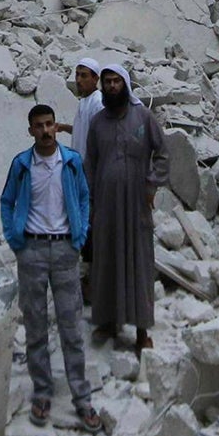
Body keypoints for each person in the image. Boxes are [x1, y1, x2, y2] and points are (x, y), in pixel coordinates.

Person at [1, 104, 105, 433]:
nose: (45, 131)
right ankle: (43, 394)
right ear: (30, 130)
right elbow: (7, 201)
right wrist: (14, 238)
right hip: (30, 249)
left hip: (64, 250)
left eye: (50, 125)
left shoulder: (71, 162)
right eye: (38, 126)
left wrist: (80, 235)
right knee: (35, 327)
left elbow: (85, 198)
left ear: (56, 128)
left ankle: (82, 396)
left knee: (71, 327)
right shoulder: (21, 164)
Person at [83, 60, 168, 352]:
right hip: (106, 204)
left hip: (136, 204)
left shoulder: (143, 117)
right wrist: (89, 202)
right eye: (106, 82)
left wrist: (151, 183)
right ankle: (107, 322)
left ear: (125, 84)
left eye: (116, 81)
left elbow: (163, 152)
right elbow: (90, 164)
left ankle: (142, 331)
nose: (111, 86)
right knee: (106, 259)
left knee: (139, 261)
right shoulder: (97, 122)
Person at [63, 58, 101, 151]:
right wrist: (62, 127)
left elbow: (101, 137)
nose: (78, 80)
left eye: (84, 76)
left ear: (95, 79)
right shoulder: (84, 100)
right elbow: (82, 131)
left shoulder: (98, 103)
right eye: (77, 74)